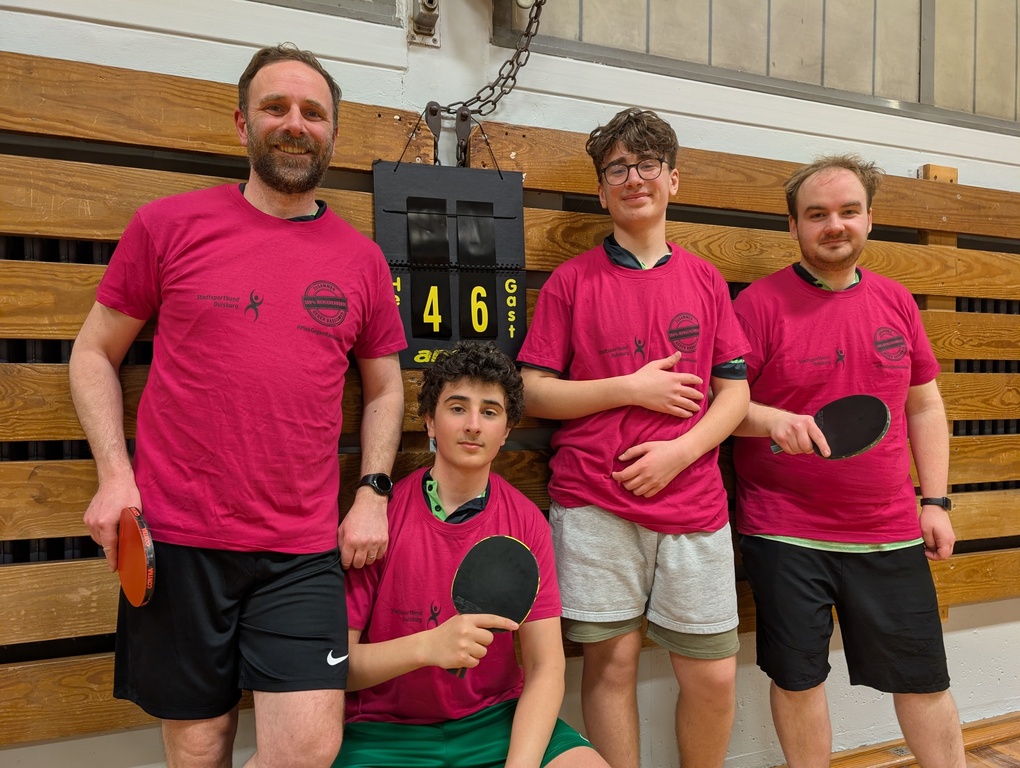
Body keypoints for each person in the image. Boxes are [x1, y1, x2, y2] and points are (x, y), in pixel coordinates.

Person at [68, 43, 406, 768]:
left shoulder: (361, 260)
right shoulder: (167, 227)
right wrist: (114, 477)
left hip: (301, 549)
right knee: (199, 744)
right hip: (178, 538)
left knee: (312, 747)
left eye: (313, 112)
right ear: (241, 125)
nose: (294, 123)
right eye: (275, 108)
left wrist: (373, 492)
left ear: (333, 134)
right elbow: (93, 354)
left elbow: (385, 387)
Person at [516, 108, 751, 768]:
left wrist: (679, 452)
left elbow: (736, 394)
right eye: (617, 168)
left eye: (647, 165)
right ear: (601, 189)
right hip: (595, 500)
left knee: (713, 677)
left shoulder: (706, 281)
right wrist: (630, 388)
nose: (632, 178)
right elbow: (532, 392)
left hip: (694, 501)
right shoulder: (572, 282)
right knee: (611, 665)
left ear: (673, 180)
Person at [731, 154, 966, 767]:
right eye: (817, 215)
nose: (833, 225)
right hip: (784, 530)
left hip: (888, 531)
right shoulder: (758, 305)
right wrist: (771, 420)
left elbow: (925, 407)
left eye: (847, 212)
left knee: (923, 679)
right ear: (794, 227)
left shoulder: (897, 302)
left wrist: (935, 502)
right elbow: (722, 405)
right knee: (799, 679)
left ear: (869, 220)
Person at [335, 341, 609, 768]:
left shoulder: (526, 523)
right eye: (457, 407)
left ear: (506, 431)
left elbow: (545, 669)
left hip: (497, 720)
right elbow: (339, 665)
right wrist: (429, 646)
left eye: (490, 411)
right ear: (429, 420)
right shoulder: (377, 526)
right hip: (385, 731)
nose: (473, 425)